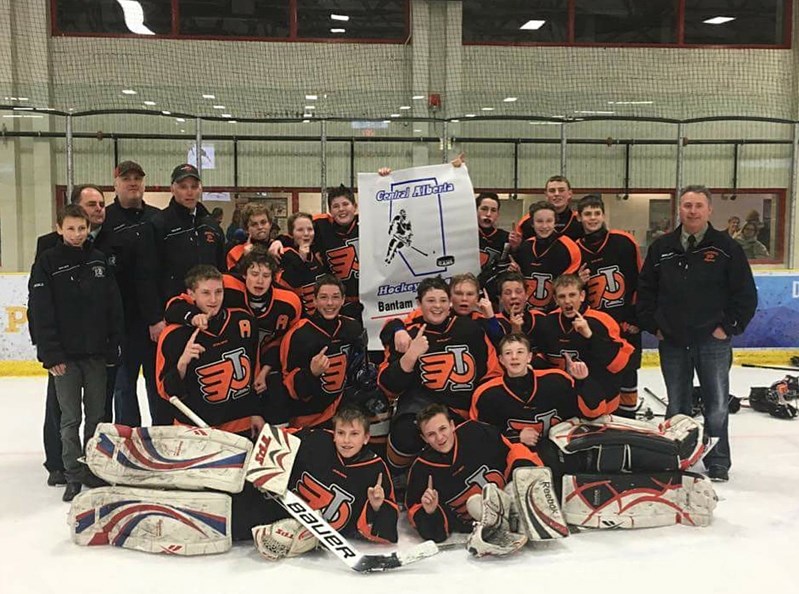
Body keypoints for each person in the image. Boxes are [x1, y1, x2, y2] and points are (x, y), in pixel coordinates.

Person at [637, 185, 758, 482]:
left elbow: (745, 295)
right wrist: (655, 327)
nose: (692, 211)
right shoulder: (661, 247)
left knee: (716, 405)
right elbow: (646, 292)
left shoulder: (726, 248)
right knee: (677, 405)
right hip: (674, 341)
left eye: (698, 206)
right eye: (687, 205)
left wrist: (726, 328)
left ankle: (717, 460)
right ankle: (675, 456)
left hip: (712, 342)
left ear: (709, 210)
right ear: (679, 209)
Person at [29, 204, 123, 501]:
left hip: (95, 355)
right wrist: (51, 354)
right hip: (64, 359)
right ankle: (71, 474)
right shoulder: (47, 262)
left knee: (97, 416)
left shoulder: (98, 260)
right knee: (70, 419)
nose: (77, 233)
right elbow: (41, 312)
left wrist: (113, 344)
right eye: (70, 228)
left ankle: (92, 469)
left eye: (82, 228)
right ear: (59, 228)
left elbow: (112, 307)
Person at [164, 249, 301, 426]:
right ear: (244, 274)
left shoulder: (289, 302)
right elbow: (174, 306)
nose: (260, 280)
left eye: (266, 275)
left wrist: (265, 370)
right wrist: (192, 317)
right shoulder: (225, 285)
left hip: (260, 361)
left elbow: (286, 341)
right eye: (254, 274)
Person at [377, 276, 501, 473]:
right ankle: (401, 478)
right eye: (431, 301)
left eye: (443, 300)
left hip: (464, 409)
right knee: (405, 432)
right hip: (423, 407)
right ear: (419, 303)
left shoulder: (471, 329)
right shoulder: (408, 334)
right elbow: (388, 386)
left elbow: (491, 373)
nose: (437, 306)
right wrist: (409, 356)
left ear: (450, 302)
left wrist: (482, 409)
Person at [405, 404, 539, 543]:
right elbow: (421, 518)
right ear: (424, 438)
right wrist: (430, 512)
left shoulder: (476, 432)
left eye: (442, 429)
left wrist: (532, 477)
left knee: (520, 474)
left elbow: (513, 451)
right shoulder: (421, 470)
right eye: (431, 434)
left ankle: (528, 511)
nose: (439, 438)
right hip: (475, 523)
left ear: (452, 425)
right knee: (474, 504)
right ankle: (499, 528)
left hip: (510, 498)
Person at [104, 160, 165, 426]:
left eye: (137, 178)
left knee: (158, 386)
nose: (133, 183)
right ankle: (129, 444)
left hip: (155, 321)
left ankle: (162, 441)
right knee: (124, 388)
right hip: (122, 323)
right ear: (115, 184)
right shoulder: (105, 221)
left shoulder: (158, 218)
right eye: (126, 178)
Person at [470, 333, 606, 449]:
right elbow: (481, 436)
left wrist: (583, 381)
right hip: (516, 455)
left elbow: (594, 412)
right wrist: (516, 437)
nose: (514, 357)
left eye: (520, 352)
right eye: (508, 353)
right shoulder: (486, 394)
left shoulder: (557, 380)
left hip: (561, 449)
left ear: (529, 357)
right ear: (501, 360)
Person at [287, 406, 399, 543]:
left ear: (366, 438)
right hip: (288, 519)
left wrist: (377, 507)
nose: (346, 440)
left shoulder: (375, 469)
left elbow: (389, 531)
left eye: (354, 434)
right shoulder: (316, 440)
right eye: (341, 433)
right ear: (334, 434)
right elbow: (279, 440)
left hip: (337, 539)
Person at [575, 194, 642, 418]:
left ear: (603, 215)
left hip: (625, 322)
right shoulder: (577, 249)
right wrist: (578, 281)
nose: (592, 218)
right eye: (587, 214)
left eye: (596, 213)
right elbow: (572, 292)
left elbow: (639, 281)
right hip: (596, 327)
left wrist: (635, 317)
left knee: (628, 372)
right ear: (579, 217)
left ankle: (629, 420)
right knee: (600, 373)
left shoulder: (623, 241)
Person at [533, 274, 633, 417]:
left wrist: (590, 336)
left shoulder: (602, 321)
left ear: (582, 296)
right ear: (555, 299)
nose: (567, 301)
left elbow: (619, 364)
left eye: (572, 295)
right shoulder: (547, 323)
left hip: (601, 401)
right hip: (564, 401)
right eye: (562, 296)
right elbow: (542, 356)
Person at [279, 275, 363, 428]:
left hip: (345, 411)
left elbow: (359, 370)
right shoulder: (299, 334)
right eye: (323, 297)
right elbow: (288, 388)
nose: (330, 303)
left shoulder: (353, 328)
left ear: (343, 300)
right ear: (315, 301)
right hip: (310, 419)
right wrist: (311, 373)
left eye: (335, 297)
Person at [150, 164, 225, 303]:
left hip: (210, 307)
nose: (189, 192)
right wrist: (155, 317)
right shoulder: (159, 224)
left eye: (194, 187)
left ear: (200, 189)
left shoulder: (212, 226)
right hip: (173, 307)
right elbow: (148, 275)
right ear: (172, 189)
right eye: (183, 187)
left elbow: (222, 269)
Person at [514, 201, 581, 311]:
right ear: (532, 223)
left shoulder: (569, 247)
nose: (544, 226)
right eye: (539, 221)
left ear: (555, 222)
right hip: (527, 312)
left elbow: (571, 284)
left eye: (549, 221)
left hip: (556, 313)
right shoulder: (525, 247)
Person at [274, 212, 330, 316]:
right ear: (292, 233)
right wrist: (300, 259)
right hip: (298, 317)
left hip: (321, 315)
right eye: (300, 230)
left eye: (310, 229)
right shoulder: (284, 254)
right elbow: (285, 287)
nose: (306, 233)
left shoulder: (318, 251)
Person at [517, 175, 583, 241]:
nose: (556, 194)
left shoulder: (580, 220)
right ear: (546, 194)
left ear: (570, 194)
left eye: (561, 190)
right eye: (552, 191)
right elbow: (517, 247)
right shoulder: (527, 221)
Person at [226, 202, 272, 271]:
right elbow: (232, 279)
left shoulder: (280, 248)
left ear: (270, 224)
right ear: (246, 229)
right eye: (254, 224)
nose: (260, 227)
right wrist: (245, 259)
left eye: (263, 222)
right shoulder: (235, 252)